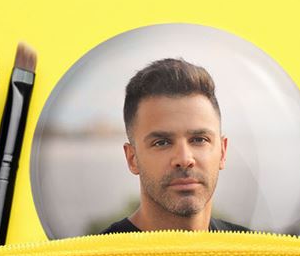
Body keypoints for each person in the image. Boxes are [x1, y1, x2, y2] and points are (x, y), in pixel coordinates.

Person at [102, 58, 251, 234]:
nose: (184, 159)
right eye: (162, 142)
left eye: (199, 139)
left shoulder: (251, 248)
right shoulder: (98, 251)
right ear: (132, 158)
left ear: (223, 152)